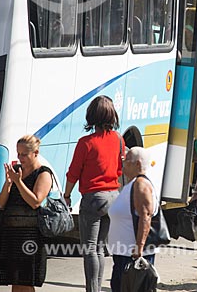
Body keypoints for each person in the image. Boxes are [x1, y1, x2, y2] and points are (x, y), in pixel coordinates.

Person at [64, 95, 124, 292]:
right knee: (100, 248)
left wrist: (66, 194)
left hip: (93, 198)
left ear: (91, 116)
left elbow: (73, 172)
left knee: (89, 248)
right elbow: (120, 169)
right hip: (113, 197)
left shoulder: (86, 143)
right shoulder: (119, 140)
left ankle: (93, 290)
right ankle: (96, 288)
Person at [0, 135, 53, 291]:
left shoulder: (43, 174)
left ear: (35, 153)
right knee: (15, 280)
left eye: (24, 154)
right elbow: (1, 202)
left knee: (26, 282)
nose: (20, 158)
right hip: (11, 233)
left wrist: (18, 182)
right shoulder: (16, 171)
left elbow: (35, 202)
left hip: (30, 235)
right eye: (18, 153)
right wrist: (8, 182)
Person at [107, 147, 158, 292]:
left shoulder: (141, 185)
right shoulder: (133, 183)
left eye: (127, 160)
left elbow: (146, 216)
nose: (123, 163)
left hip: (132, 254)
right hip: (124, 253)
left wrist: (139, 247)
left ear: (138, 164)